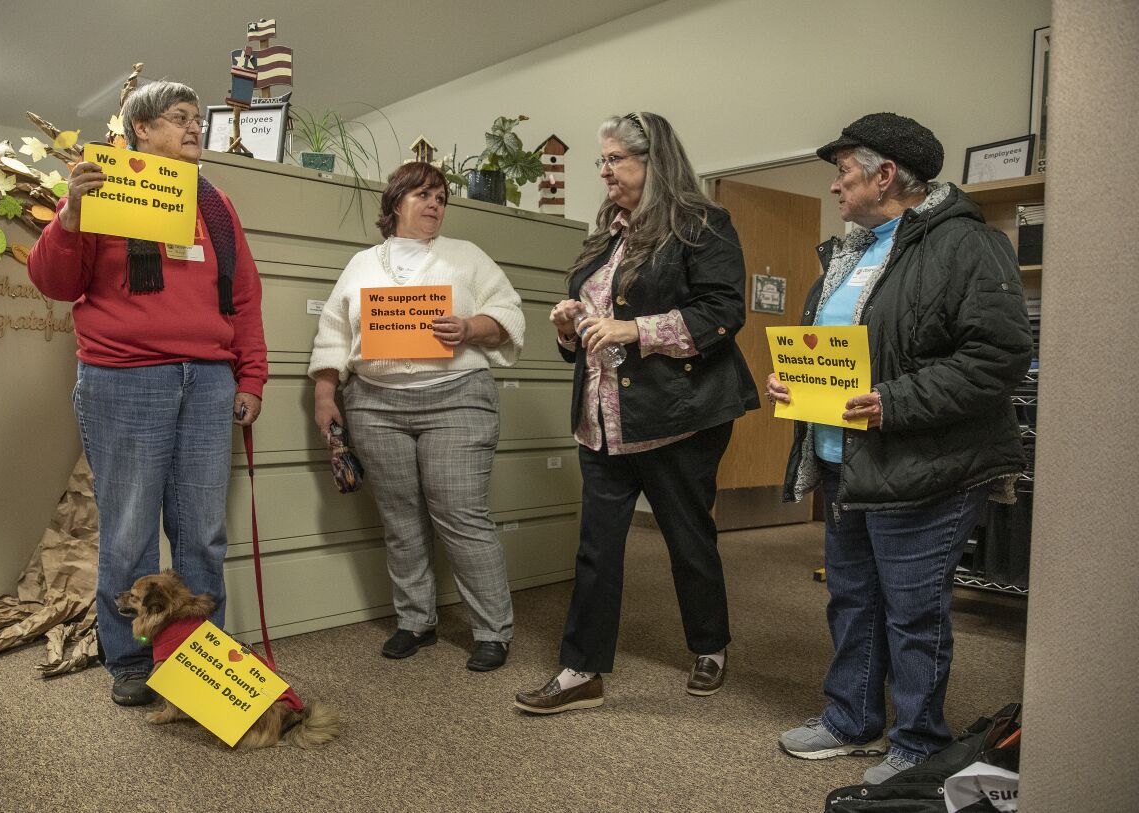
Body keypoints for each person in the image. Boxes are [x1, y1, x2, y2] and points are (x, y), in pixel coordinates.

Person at [768, 112, 1032, 784]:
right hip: (844, 461)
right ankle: (852, 719)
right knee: (852, 597)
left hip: (926, 465)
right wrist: (794, 382)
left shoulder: (966, 245)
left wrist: (894, 401)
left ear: (885, 174)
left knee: (914, 611)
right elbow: (843, 351)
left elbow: (998, 355)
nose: (833, 186)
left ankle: (918, 741)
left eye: (842, 170)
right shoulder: (851, 252)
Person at [27, 80, 267, 706]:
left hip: (209, 381)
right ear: (139, 131)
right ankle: (132, 659)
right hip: (124, 379)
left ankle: (197, 660)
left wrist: (252, 376)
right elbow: (54, 282)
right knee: (130, 531)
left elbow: (243, 297)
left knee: (201, 532)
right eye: (178, 118)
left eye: (196, 119)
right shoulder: (98, 190)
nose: (194, 128)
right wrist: (70, 218)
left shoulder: (216, 205)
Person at [514, 112, 760, 714]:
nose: (605, 171)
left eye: (617, 158)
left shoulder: (702, 224)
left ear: (655, 161)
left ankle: (710, 646)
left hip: (679, 414)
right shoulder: (606, 236)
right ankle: (581, 671)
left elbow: (725, 312)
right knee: (597, 547)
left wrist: (635, 328)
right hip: (602, 418)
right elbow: (593, 327)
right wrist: (569, 324)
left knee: (687, 537)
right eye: (601, 160)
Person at [309, 162, 525, 672]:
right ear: (395, 203)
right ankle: (415, 621)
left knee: (462, 516)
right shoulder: (362, 264)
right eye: (423, 195)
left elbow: (510, 313)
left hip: (456, 398)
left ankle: (492, 630)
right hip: (375, 404)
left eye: (442, 197)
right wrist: (324, 394)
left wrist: (471, 326)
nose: (435, 204)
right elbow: (335, 332)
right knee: (401, 519)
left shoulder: (465, 256)